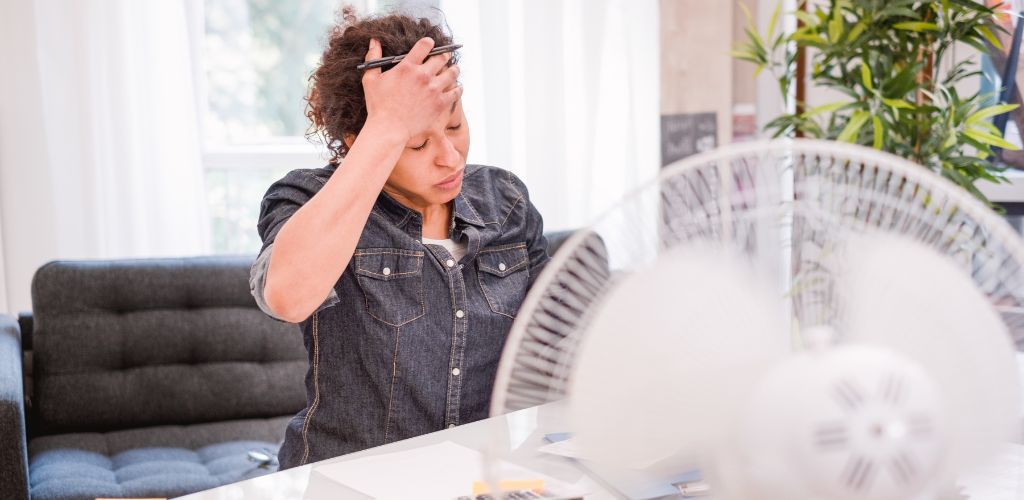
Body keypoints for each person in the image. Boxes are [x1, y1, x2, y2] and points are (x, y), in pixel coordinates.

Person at [248, 6, 550, 469]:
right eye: (417, 143)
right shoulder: (308, 197)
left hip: (479, 480)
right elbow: (287, 297)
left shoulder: (505, 200)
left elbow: (554, 337)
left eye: (454, 125)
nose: (451, 158)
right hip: (348, 481)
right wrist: (388, 125)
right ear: (356, 139)